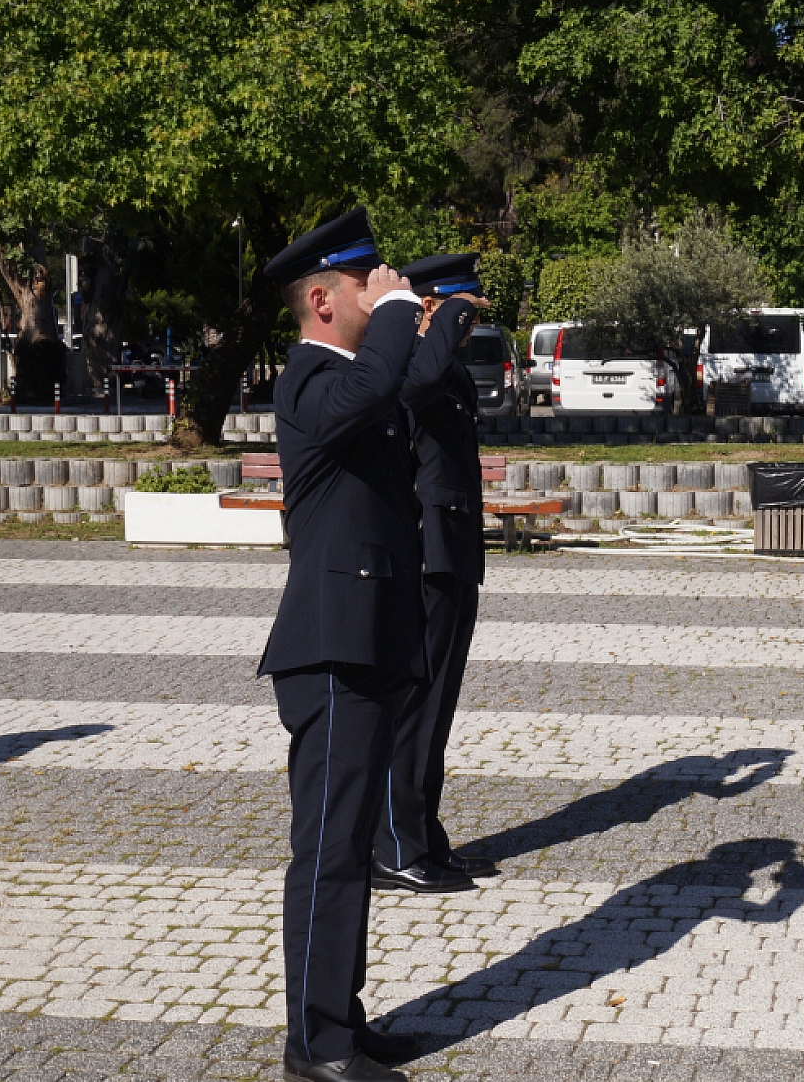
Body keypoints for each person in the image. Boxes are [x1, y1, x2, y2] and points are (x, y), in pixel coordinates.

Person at [258, 208, 465, 1082]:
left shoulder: (355, 378)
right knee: (333, 851)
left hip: (369, 639)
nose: (383, 294)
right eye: (364, 284)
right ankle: (316, 1044)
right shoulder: (308, 378)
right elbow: (376, 386)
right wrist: (395, 316)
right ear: (321, 298)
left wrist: (427, 317)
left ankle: (341, 1016)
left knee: (344, 848)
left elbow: (405, 382)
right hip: (332, 648)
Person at [370, 253, 498, 895]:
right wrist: (443, 318)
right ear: (430, 311)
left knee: (437, 706)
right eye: (461, 315)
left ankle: (422, 834)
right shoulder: (406, 363)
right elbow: (412, 389)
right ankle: (395, 846)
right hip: (423, 554)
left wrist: (447, 323)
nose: (468, 329)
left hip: (453, 550)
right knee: (415, 705)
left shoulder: (444, 365)